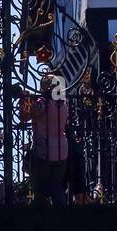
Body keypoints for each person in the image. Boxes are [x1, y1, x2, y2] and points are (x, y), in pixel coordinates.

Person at [24, 73, 69, 205]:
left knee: (40, 188)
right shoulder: (63, 105)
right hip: (61, 150)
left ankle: (41, 216)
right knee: (57, 188)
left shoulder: (43, 103)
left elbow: (28, 113)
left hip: (44, 150)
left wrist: (24, 97)